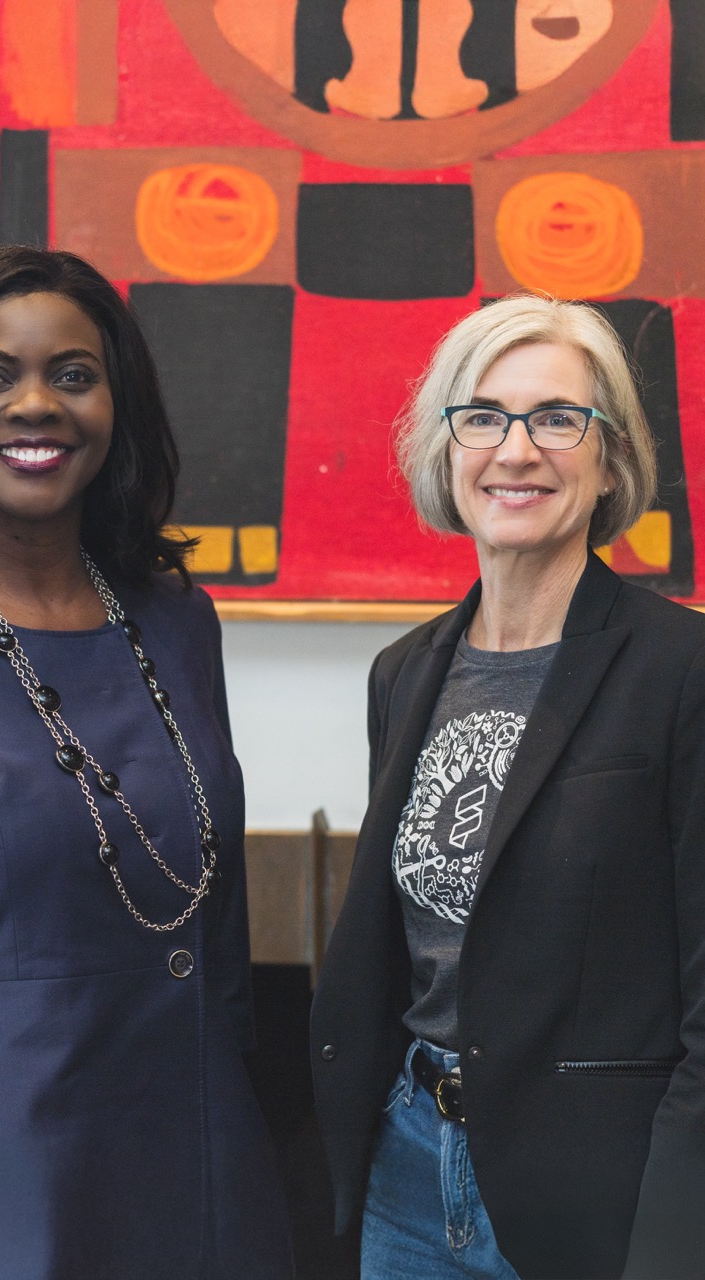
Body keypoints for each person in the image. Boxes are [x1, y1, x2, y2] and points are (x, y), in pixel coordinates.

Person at [0, 246, 293, 1280]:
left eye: (74, 375)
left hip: (192, 1162)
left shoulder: (177, 618)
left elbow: (210, 916)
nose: (37, 404)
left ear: (117, 402)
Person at [311, 294, 705, 1280]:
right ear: (447, 449)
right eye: (481, 415)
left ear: (609, 457)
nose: (515, 449)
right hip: (406, 1175)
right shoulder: (404, 672)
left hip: (595, 1198)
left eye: (556, 418)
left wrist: (670, 1240)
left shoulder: (682, 666)